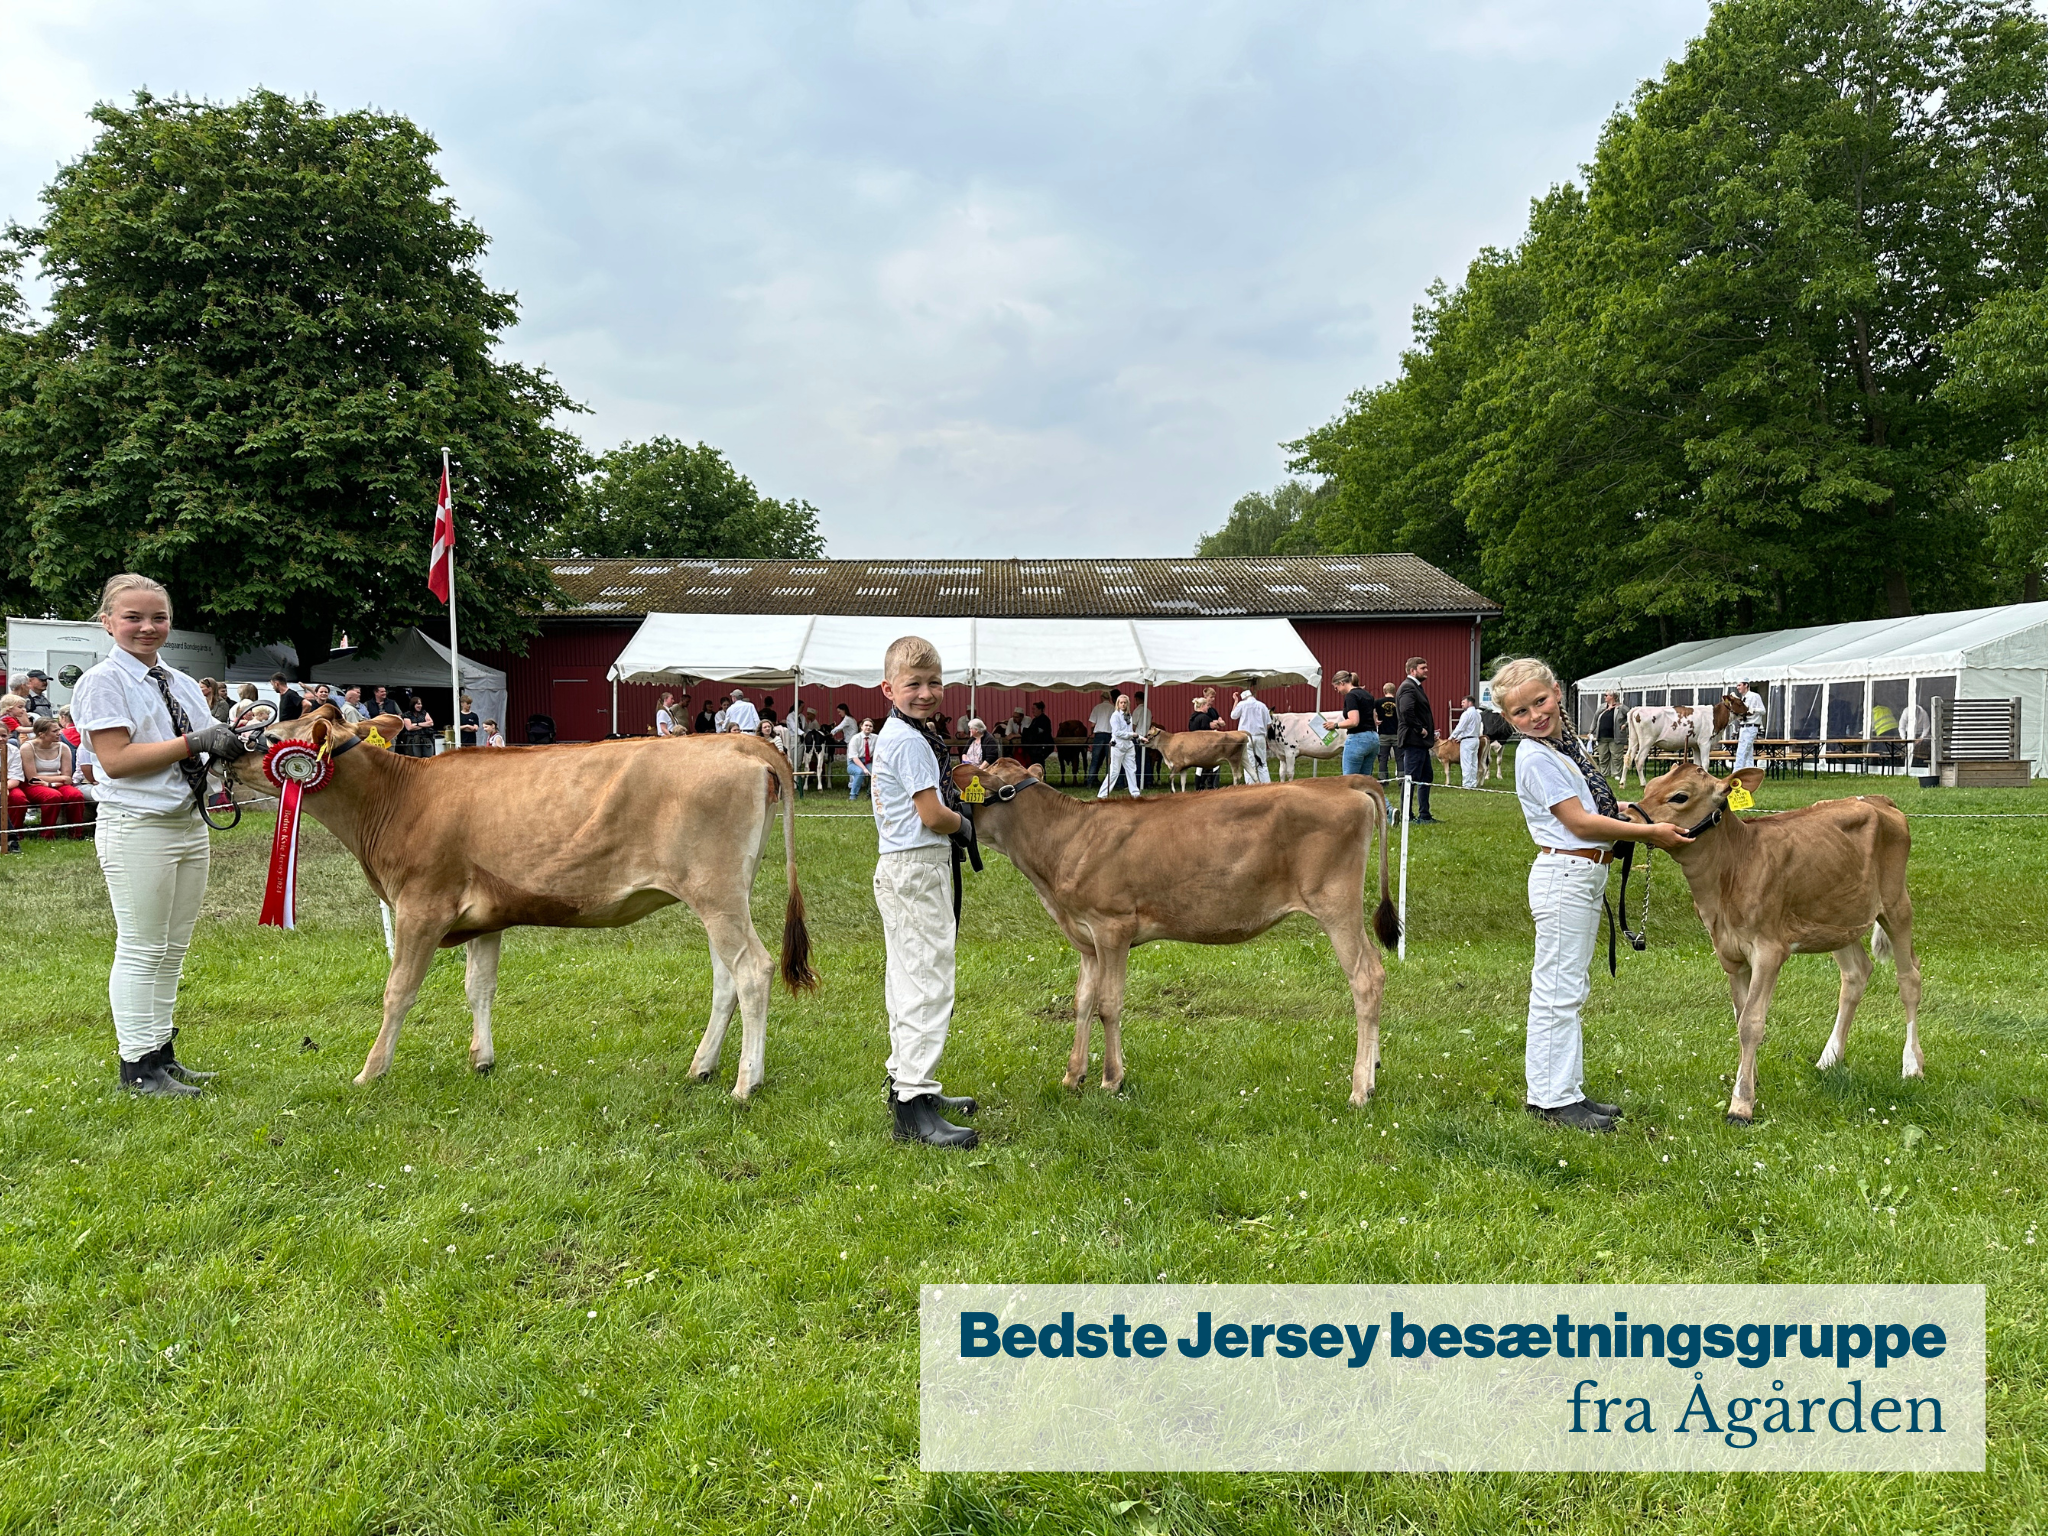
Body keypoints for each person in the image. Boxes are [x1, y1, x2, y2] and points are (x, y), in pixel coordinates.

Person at [1492, 656, 1693, 1132]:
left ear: (1556, 692)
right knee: (1558, 991)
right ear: (1508, 720)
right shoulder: (1535, 755)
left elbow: (1590, 803)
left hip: (1580, 874)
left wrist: (1630, 809)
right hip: (1566, 874)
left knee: (1568, 987)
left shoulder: (1565, 747)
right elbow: (1579, 822)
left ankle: (1566, 1090)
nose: (1535, 715)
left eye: (1540, 701)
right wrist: (1653, 835)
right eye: (1521, 713)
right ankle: (1552, 1100)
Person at [69, 572, 250, 1096]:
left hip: (187, 822)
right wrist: (195, 739)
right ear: (107, 622)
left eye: (158, 617)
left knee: (172, 947)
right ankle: (136, 1064)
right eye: (133, 617)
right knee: (142, 946)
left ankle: (161, 1054)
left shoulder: (180, 681)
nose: (147, 627)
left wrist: (229, 746)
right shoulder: (103, 681)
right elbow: (117, 761)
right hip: (138, 824)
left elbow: (200, 746)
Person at [871, 635, 977, 1149]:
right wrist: (964, 825)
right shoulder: (912, 742)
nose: (926, 692)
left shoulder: (901, 734)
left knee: (906, 976)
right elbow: (932, 815)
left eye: (934, 682)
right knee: (927, 981)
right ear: (889, 687)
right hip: (917, 866)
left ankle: (907, 1084)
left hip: (899, 866)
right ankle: (914, 1105)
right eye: (913, 684)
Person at [22, 716, 88, 839]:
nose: (60, 733)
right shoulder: (27, 748)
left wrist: (49, 782)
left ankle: (76, 834)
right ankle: (47, 835)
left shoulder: (63, 747)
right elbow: (32, 778)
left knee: (76, 796)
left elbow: (68, 777)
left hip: (57, 783)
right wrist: (58, 779)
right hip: (34, 785)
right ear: (41, 734)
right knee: (52, 796)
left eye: (59, 729)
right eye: (55, 731)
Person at [1395, 657, 1439, 823]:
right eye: (1423, 668)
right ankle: (1407, 816)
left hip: (1420, 742)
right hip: (1413, 741)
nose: (1426, 670)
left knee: (1426, 777)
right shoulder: (1408, 687)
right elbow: (1406, 711)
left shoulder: (1415, 687)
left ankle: (1424, 815)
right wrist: (1420, 728)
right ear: (1413, 671)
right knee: (1410, 780)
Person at [1335, 670, 1380, 780]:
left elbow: (1354, 721)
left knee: (1349, 781)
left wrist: (1335, 725)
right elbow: (1375, 719)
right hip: (1373, 738)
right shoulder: (1368, 695)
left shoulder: (1351, 696)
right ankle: (1379, 798)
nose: (1337, 691)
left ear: (1342, 683)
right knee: (1365, 781)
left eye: (1336, 687)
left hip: (1358, 739)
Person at [1099, 693, 1141, 799]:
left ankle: (1135, 794)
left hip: (1129, 745)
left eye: (1125, 702)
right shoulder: (1115, 716)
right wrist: (1132, 735)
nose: (1123, 704)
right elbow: (1117, 732)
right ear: (1118, 704)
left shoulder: (1128, 715)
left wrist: (1139, 737)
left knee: (1131, 769)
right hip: (1118, 745)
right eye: (1121, 702)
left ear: (1127, 704)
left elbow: (1130, 731)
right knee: (1114, 771)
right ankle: (1102, 794)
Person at [1231, 685, 1272, 784]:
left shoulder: (1242, 704)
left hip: (1246, 737)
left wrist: (1235, 701)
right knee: (1262, 763)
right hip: (1260, 736)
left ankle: (1251, 786)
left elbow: (1233, 716)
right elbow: (1269, 724)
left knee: (1249, 763)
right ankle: (1266, 784)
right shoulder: (1262, 705)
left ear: (1243, 697)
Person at [1187, 688, 1224, 788]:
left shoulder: (1192, 717)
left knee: (1200, 767)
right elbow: (1214, 726)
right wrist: (1217, 723)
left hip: (1196, 744)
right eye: (1207, 706)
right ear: (1203, 706)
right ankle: (1212, 786)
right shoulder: (1204, 717)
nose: (1208, 708)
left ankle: (1199, 787)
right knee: (1214, 764)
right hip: (1206, 745)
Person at [1451, 694, 1485, 788]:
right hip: (1475, 739)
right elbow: (1471, 727)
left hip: (1467, 741)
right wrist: (1460, 737)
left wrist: (1452, 737)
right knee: (1474, 762)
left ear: (1469, 703)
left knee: (1466, 762)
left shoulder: (1466, 714)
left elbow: (1461, 727)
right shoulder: (1478, 714)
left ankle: (1466, 784)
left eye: (1463, 702)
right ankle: (1473, 783)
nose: (1462, 704)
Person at [1732, 680, 1765, 771]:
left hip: (1751, 726)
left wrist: (1753, 710)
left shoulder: (1754, 696)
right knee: (1748, 753)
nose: (1738, 687)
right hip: (1743, 726)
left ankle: (1736, 772)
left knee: (1742, 751)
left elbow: (1763, 710)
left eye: (1739, 685)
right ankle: (1750, 772)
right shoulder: (1742, 699)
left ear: (1746, 685)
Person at [1593, 693, 1622, 781]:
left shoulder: (1621, 707)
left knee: (1616, 757)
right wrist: (1591, 731)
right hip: (1602, 736)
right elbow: (1595, 718)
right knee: (1603, 757)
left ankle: (1616, 774)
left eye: (1607, 695)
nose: (1604, 697)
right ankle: (1604, 773)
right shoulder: (1602, 707)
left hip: (1614, 737)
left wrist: (1625, 725)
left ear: (1612, 696)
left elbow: (1629, 716)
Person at [1088, 688, 1115, 780]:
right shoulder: (1113, 708)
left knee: (1095, 759)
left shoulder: (1097, 707)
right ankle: (1108, 781)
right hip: (1109, 734)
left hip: (1099, 735)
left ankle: (1090, 781)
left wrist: (1091, 732)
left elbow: (1092, 724)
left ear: (1102, 697)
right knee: (1109, 760)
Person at [847, 717, 877, 799]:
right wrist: (864, 769)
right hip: (854, 762)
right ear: (861, 727)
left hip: (867, 761)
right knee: (859, 772)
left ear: (873, 728)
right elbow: (854, 758)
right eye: (866, 725)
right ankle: (853, 796)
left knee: (874, 773)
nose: (868, 727)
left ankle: (870, 795)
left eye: (870, 726)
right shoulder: (855, 739)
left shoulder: (876, 738)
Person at [1374, 684, 1400, 778]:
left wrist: (1375, 720)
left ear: (1384, 691)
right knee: (1400, 758)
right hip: (1397, 734)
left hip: (1383, 734)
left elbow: (1372, 711)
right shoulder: (1398, 701)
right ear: (1394, 691)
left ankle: (1383, 779)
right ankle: (1402, 780)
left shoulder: (1378, 702)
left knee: (1383, 758)